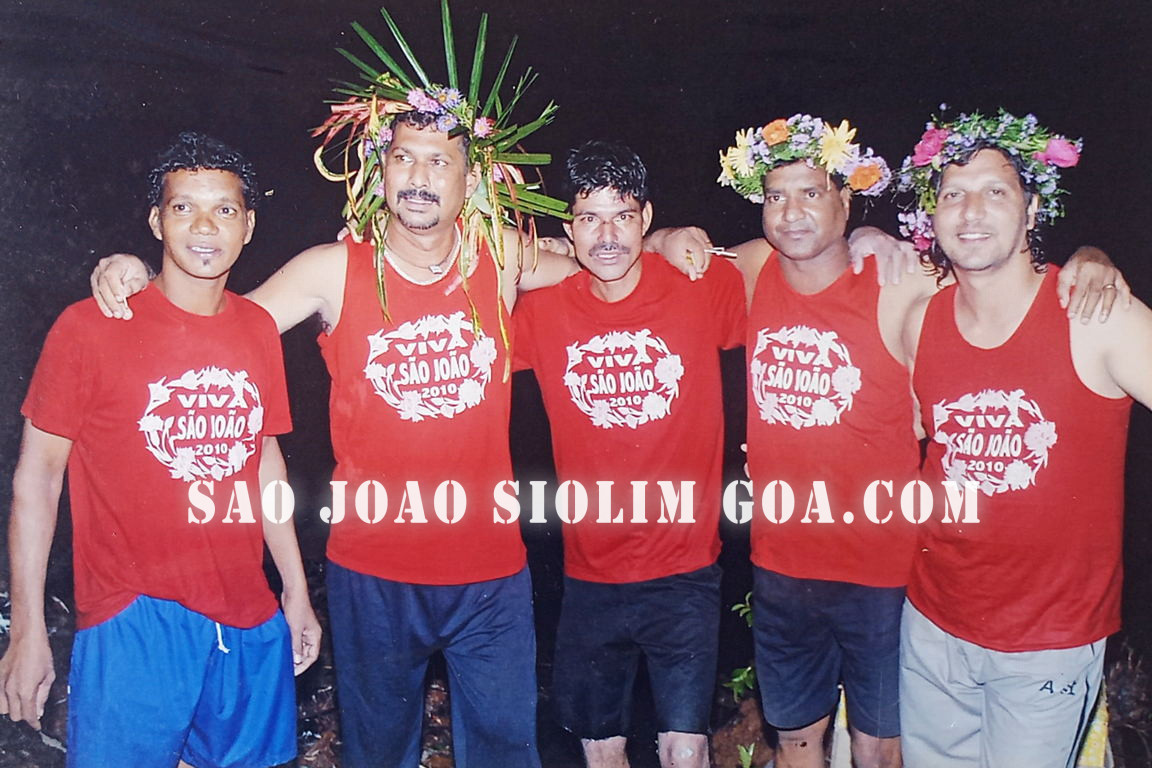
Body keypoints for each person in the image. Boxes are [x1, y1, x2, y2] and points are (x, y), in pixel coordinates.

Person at [85, 9, 711, 767]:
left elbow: (601, 256)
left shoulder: (502, 259)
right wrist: (137, 270)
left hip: (491, 576)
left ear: (469, 180)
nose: (419, 177)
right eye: (404, 159)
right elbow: (218, 325)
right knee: (379, 753)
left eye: (439, 162)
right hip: (372, 571)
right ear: (379, 173)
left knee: (506, 753)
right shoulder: (330, 269)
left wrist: (667, 237)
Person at [714, 114, 1126, 768]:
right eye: (775, 197)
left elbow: (997, 279)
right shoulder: (755, 267)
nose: (791, 213)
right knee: (797, 739)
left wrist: (1090, 258)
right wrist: (671, 235)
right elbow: (658, 258)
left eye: (812, 193)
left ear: (847, 199)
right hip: (799, 572)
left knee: (882, 750)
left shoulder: (904, 283)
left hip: (889, 575)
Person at [0, 132, 320, 767]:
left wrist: (295, 588)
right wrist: (29, 628)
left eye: (224, 209)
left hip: (246, 611)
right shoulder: (90, 327)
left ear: (249, 225)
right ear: (156, 221)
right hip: (134, 615)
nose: (204, 226)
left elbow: (263, 461)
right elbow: (38, 477)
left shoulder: (257, 328)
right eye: (182, 207)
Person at [896, 110, 1152, 767]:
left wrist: (1095, 257)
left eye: (995, 191)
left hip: (1048, 644)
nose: (971, 211)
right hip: (931, 624)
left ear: (1033, 210)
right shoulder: (921, 318)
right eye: (953, 194)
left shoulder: (1095, 314)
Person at [514, 141, 745, 768]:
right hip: (590, 574)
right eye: (589, 219)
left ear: (646, 218)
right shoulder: (543, 311)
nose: (608, 236)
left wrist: (872, 241)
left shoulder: (699, 285)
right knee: (601, 751)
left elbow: (782, 262)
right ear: (569, 230)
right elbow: (475, 280)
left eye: (622, 216)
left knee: (685, 750)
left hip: (686, 572)